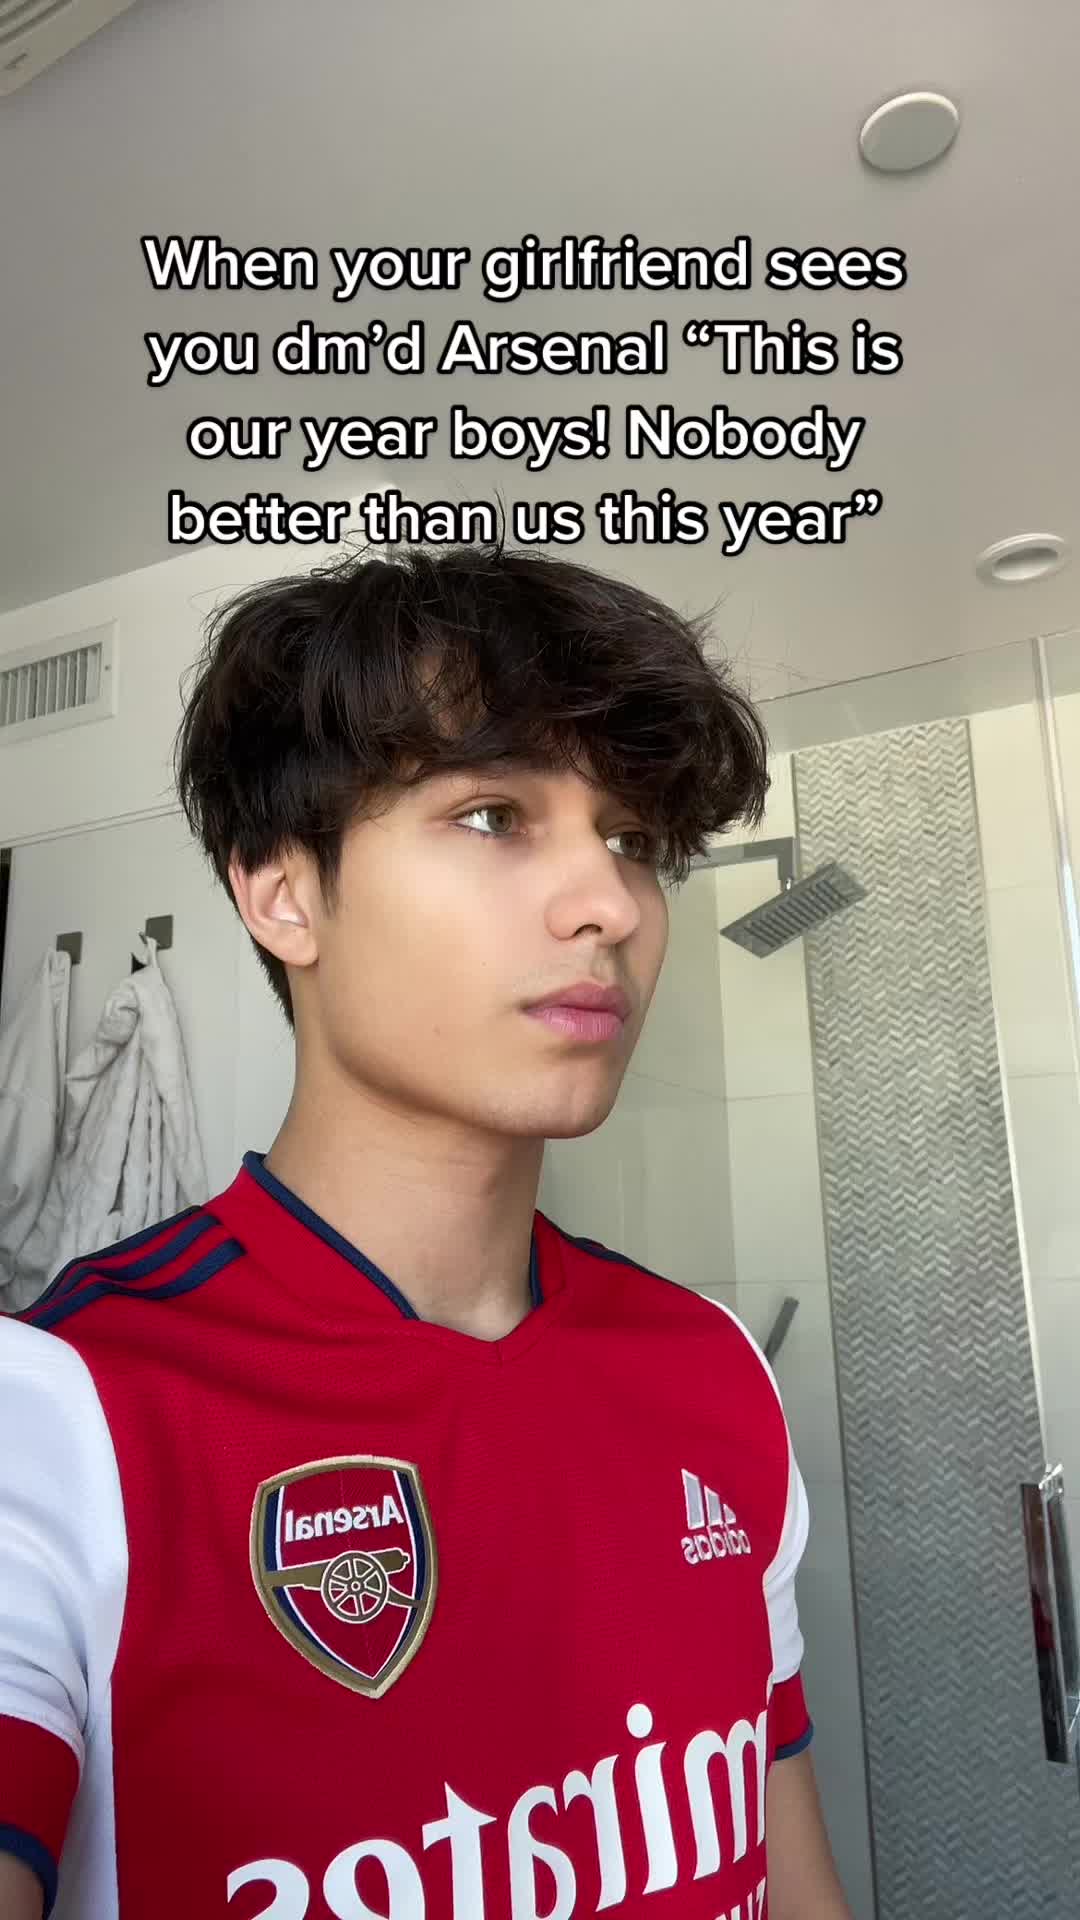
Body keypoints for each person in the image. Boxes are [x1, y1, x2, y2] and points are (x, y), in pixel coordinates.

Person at [0, 545, 852, 1920]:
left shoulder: (714, 1371)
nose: (611, 904)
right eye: (495, 815)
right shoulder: (58, 1417)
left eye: (633, 841)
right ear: (281, 892)